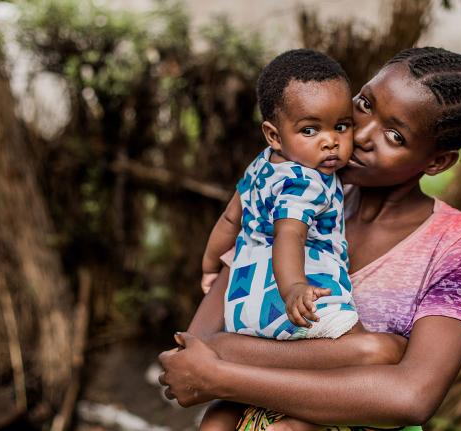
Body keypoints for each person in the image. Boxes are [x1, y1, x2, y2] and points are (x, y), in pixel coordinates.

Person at [158, 47, 461, 431]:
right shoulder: (291, 187)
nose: (362, 135)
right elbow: (200, 342)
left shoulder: (458, 241)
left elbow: (409, 397)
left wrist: (223, 376)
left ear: (437, 162)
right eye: (364, 104)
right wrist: (365, 354)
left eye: (394, 135)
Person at [200, 49, 366, 431]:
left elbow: (229, 219)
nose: (330, 142)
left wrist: (209, 266)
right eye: (310, 130)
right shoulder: (307, 181)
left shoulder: (260, 167)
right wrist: (294, 289)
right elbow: (289, 233)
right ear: (274, 134)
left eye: (341, 126)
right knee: (368, 357)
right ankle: (297, 423)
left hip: (243, 308)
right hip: (294, 302)